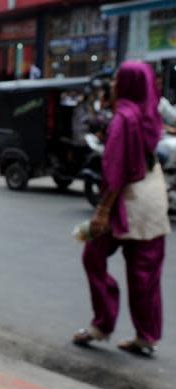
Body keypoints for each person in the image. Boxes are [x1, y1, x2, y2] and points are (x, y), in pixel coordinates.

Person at [73, 61, 170, 357]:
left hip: (127, 201)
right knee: (146, 276)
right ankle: (147, 336)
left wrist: (102, 211)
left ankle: (102, 324)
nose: (114, 84)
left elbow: (115, 172)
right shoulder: (150, 112)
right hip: (154, 199)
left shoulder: (123, 118)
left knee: (94, 256)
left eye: (118, 79)